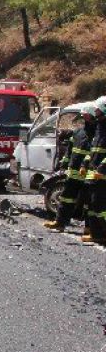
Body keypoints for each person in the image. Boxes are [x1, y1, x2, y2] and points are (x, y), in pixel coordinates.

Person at [45, 105, 96, 233]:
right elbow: (70, 150)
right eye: (83, 115)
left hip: (87, 174)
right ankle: (60, 222)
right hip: (73, 173)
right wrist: (63, 165)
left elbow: (95, 154)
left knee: (88, 202)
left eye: (86, 115)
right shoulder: (78, 132)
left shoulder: (97, 134)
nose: (84, 117)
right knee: (66, 198)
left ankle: (89, 228)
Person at [82, 96, 106, 244]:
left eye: (97, 109)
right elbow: (94, 150)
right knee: (92, 206)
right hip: (94, 175)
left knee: (100, 208)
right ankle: (96, 234)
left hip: (102, 176)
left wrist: (103, 169)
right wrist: (85, 164)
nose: (95, 112)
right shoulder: (99, 127)